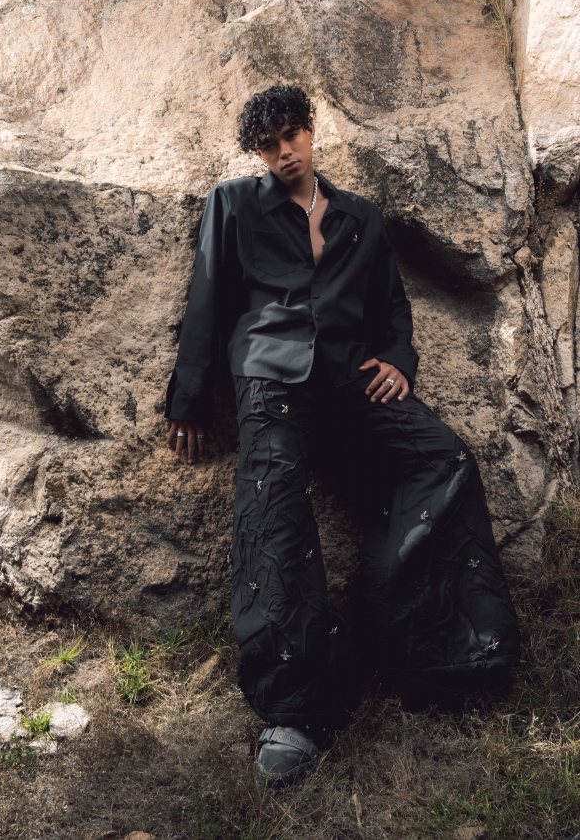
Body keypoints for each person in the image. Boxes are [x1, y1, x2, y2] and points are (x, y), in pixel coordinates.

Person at [165, 85, 520, 790]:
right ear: (257, 152)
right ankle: (294, 710)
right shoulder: (232, 204)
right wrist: (191, 401)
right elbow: (206, 299)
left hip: (353, 379)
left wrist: (398, 361)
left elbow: (391, 305)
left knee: (443, 458)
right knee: (274, 514)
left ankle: (420, 643)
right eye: (269, 145)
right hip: (270, 379)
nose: (284, 152)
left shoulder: (361, 216)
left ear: (310, 129)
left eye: (291, 135)